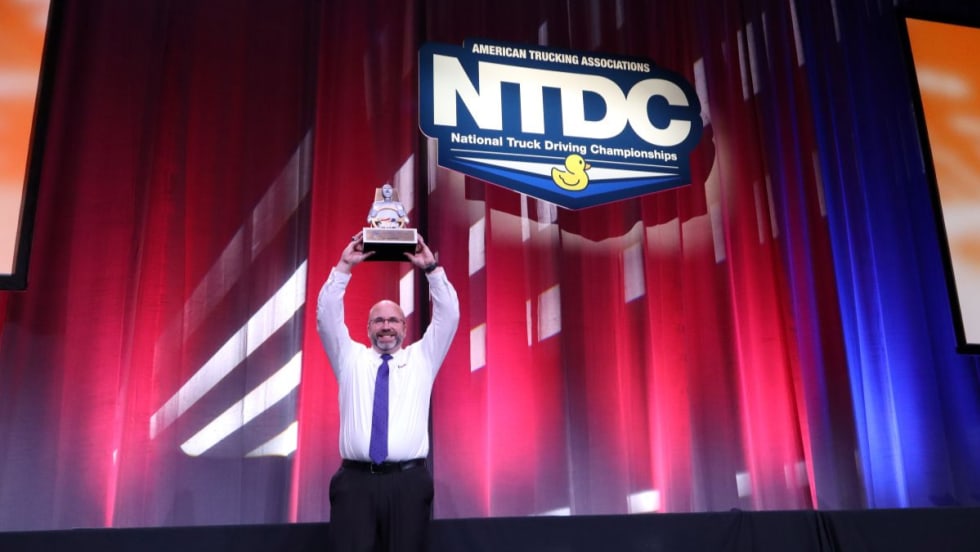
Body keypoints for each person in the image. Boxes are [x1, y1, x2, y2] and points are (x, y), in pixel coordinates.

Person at [316, 231, 460, 552]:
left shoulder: (422, 358)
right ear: (367, 328)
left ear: (405, 328)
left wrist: (432, 269)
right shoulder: (349, 358)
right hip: (355, 484)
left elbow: (448, 316)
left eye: (393, 320)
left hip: (407, 482)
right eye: (378, 320)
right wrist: (343, 267)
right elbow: (326, 318)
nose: (386, 326)